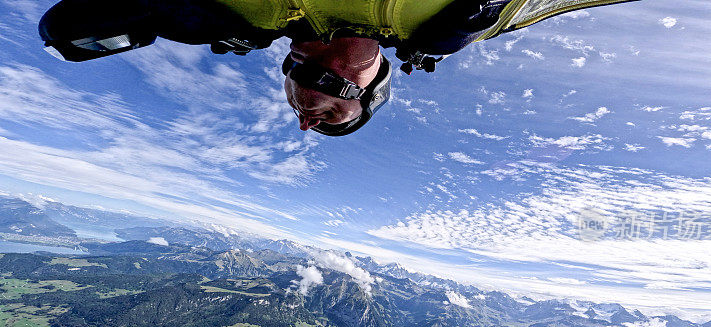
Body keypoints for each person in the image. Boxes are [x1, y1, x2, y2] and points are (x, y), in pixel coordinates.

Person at [39, 0, 636, 136]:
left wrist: (132, 22)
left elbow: (68, 25)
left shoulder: (238, 14)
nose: (305, 110)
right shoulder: (462, 17)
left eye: (298, 98)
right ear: (374, 81)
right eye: (329, 107)